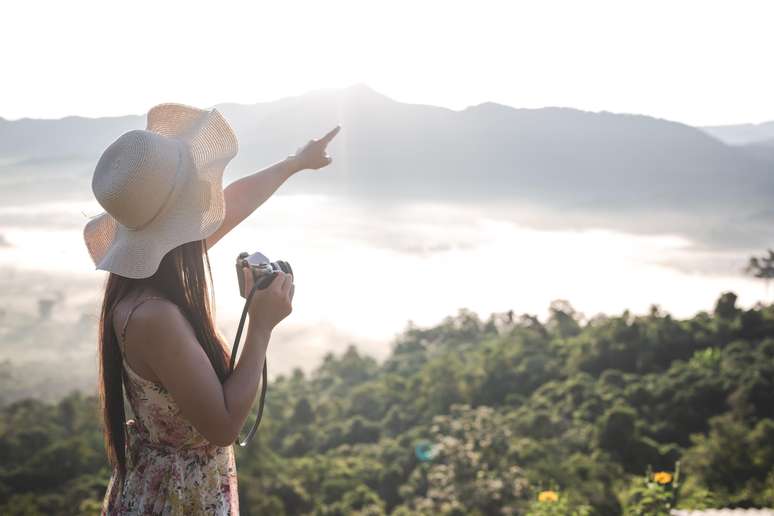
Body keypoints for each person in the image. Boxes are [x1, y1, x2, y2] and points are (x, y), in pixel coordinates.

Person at [83, 103, 340, 515]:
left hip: (162, 487)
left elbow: (232, 205)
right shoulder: (156, 317)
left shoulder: (144, 279)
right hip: (181, 499)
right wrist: (260, 326)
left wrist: (296, 162)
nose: (210, 203)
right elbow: (222, 427)